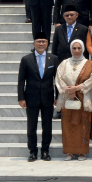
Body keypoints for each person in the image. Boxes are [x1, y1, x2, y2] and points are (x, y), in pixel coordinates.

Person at [17, 32, 59, 162]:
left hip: (48, 98)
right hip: (31, 97)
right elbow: (21, 80)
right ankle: (33, 151)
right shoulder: (26, 59)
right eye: (39, 41)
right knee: (32, 125)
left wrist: (58, 96)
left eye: (44, 41)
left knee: (47, 126)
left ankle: (45, 150)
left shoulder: (54, 59)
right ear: (34, 43)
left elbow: (57, 80)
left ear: (47, 44)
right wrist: (21, 98)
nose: (41, 44)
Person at [55, 40, 92, 161]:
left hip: (83, 100)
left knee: (82, 125)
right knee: (68, 126)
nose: (77, 51)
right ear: (71, 49)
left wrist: (77, 88)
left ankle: (82, 152)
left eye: (79, 48)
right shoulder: (64, 63)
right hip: (67, 98)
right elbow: (58, 78)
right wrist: (67, 89)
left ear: (83, 49)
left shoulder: (89, 64)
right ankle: (69, 151)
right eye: (74, 48)